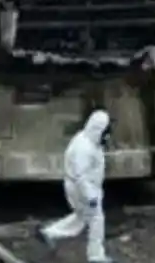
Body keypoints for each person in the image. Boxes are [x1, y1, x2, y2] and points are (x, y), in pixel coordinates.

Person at [37, 110, 114, 263]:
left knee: (82, 218)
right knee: (95, 219)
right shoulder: (84, 148)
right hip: (82, 189)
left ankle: (49, 233)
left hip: (85, 188)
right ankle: (96, 256)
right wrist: (90, 196)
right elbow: (80, 176)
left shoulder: (89, 141)